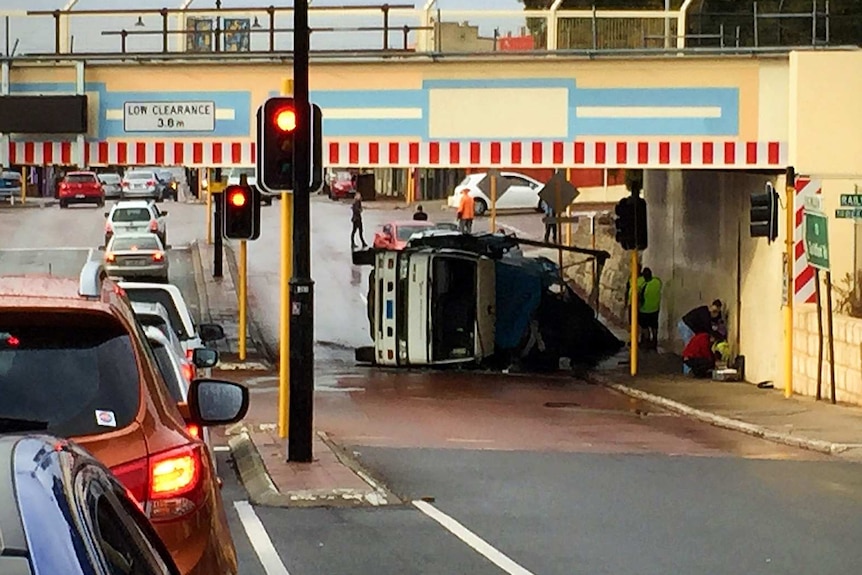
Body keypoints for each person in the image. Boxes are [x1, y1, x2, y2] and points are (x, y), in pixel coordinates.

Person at [638, 267, 662, 350]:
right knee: (654, 326)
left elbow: (640, 298)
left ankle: (647, 341)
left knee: (645, 327)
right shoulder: (657, 282)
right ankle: (655, 340)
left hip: (644, 310)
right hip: (655, 309)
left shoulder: (643, 285)